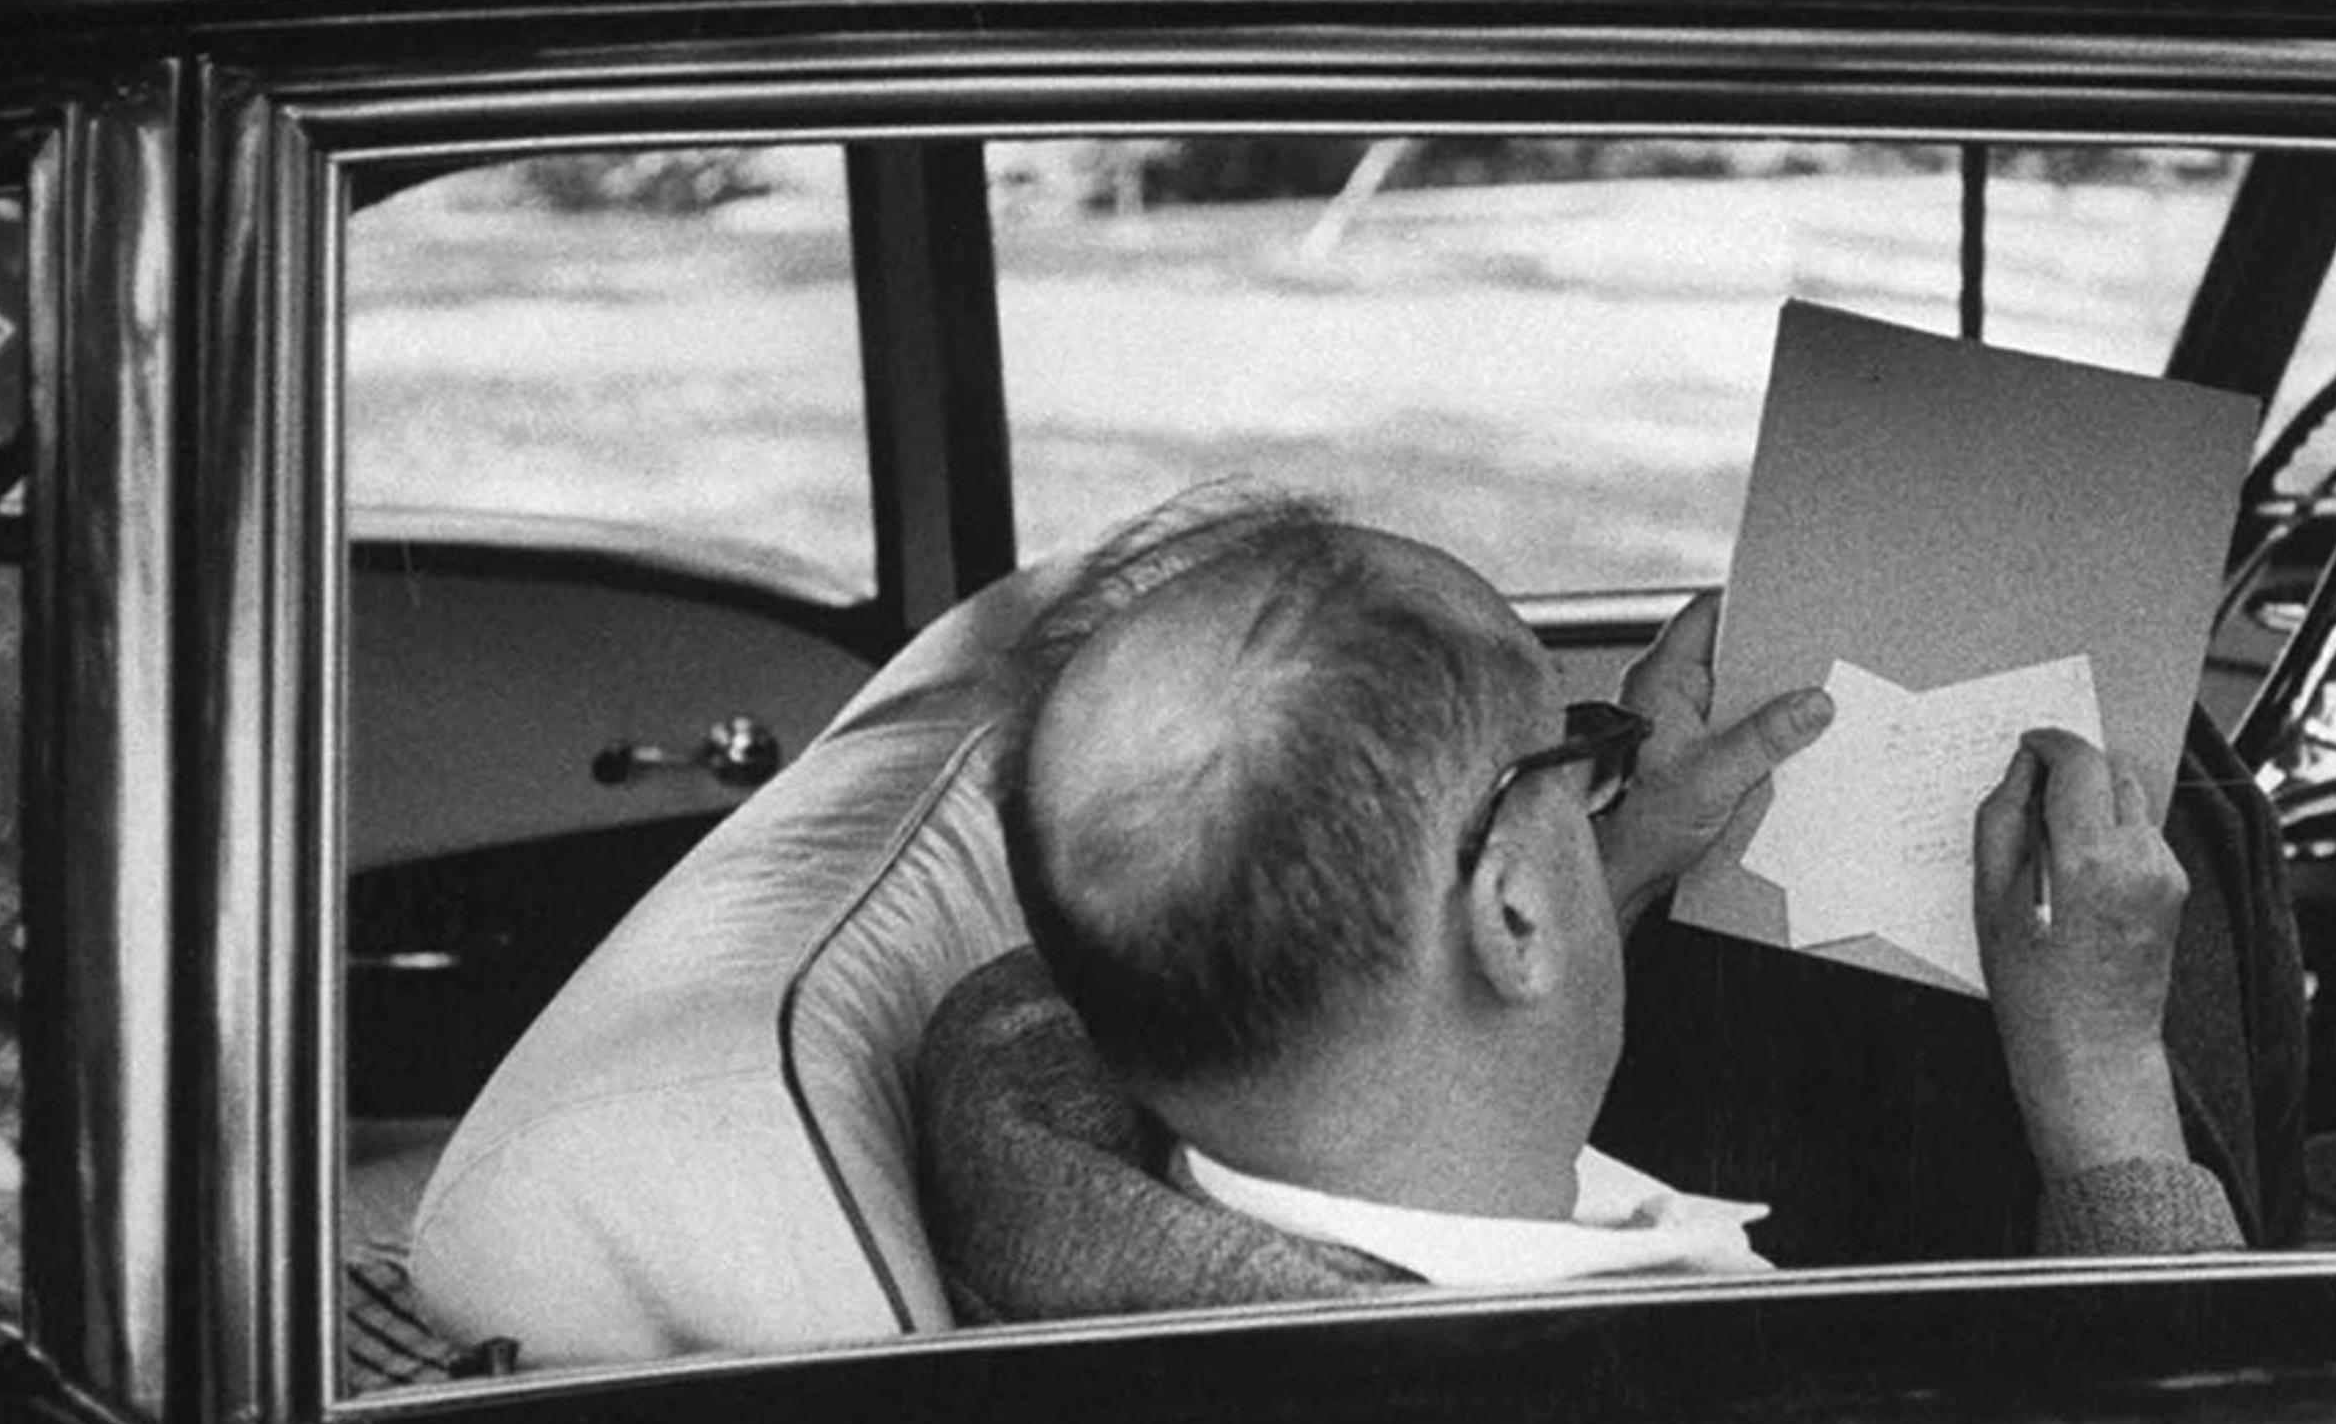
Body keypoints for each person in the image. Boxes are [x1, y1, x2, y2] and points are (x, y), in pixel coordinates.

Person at [919, 491, 2244, 1316]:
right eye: (1576, 760)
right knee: (2204, 797)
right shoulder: (1698, 1419)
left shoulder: (1017, 1122)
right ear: (1506, 920)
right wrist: (2105, 1089)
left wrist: (1625, 848)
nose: (1607, 787)